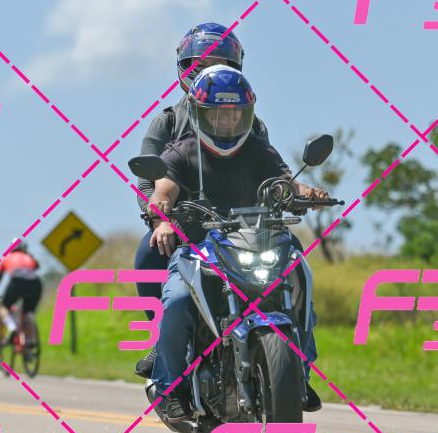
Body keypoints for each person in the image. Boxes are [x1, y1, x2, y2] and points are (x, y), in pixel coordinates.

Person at [133, 23, 322, 379]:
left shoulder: (251, 130)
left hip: (247, 230)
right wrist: (160, 218)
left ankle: (299, 366)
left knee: (296, 261)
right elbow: (152, 182)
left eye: (220, 64)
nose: (226, 118)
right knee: (151, 254)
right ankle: (165, 345)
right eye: (200, 65)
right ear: (184, 67)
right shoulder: (170, 124)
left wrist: (304, 193)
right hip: (190, 230)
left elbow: (275, 176)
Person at [0, 241, 42, 346]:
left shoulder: (6, 258)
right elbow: (37, 266)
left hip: (17, 282)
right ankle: (31, 339)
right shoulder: (28, 257)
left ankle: (12, 327)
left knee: (4, 307)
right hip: (35, 283)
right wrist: (29, 256)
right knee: (28, 312)